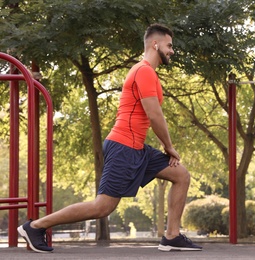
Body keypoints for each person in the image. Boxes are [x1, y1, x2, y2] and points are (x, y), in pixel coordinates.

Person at [17, 23, 202, 253]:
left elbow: (151, 115)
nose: (172, 50)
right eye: (169, 45)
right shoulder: (143, 71)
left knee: (181, 175)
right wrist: (169, 147)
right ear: (155, 44)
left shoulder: (148, 73)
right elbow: (154, 115)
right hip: (124, 146)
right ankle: (35, 227)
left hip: (137, 148)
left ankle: (172, 236)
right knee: (102, 207)